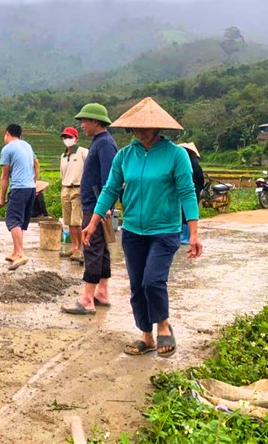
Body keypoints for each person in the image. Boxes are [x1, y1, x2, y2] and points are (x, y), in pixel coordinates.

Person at [83, 97, 202, 358]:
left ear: (159, 128)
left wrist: (193, 231)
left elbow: (187, 192)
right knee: (137, 285)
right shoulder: (125, 156)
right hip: (133, 231)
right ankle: (146, 336)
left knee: (153, 280)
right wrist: (93, 222)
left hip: (165, 230)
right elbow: (110, 189)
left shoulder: (176, 155)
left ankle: (163, 325)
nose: (141, 131)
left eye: (147, 127)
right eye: (136, 127)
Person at [61, 103, 117, 315]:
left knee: (92, 247)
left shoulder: (104, 145)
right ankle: (101, 292)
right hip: (94, 205)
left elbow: (110, 179)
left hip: (95, 207)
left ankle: (87, 299)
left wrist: (105, 208)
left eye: (84, 121)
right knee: (100, 249)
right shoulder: (99, 142)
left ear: (95, 121)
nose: (82, 125)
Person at [0, 124, 40, 271]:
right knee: (20, 222)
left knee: (13, 220)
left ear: (7, 134)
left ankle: (20, 253)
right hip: (30, 189)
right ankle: (15, 252)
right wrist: (34, 182)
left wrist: (1, 198)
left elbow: (5, 176)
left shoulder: (7, 148)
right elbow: (37, 164)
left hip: (19, 188)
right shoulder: (27, 145)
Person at [58, 126, 88, 261]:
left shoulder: (83, 152)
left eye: (69, 137)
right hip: (65, 188)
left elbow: (90, 168)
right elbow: (62, 175)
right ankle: (74, 247)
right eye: (65, 137)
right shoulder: (63, 156)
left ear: (76, 138)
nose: (67, 140)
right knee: (69, 221)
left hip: (77, 188)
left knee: (77, 221)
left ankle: (79, 249)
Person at [177, 143, 205, 245]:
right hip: (190, 190)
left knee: (182, 211)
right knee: (186, 212)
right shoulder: (193, 163)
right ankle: (185, 236)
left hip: (187, 190)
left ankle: (184, 235)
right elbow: (201, 179)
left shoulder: (183, 163)